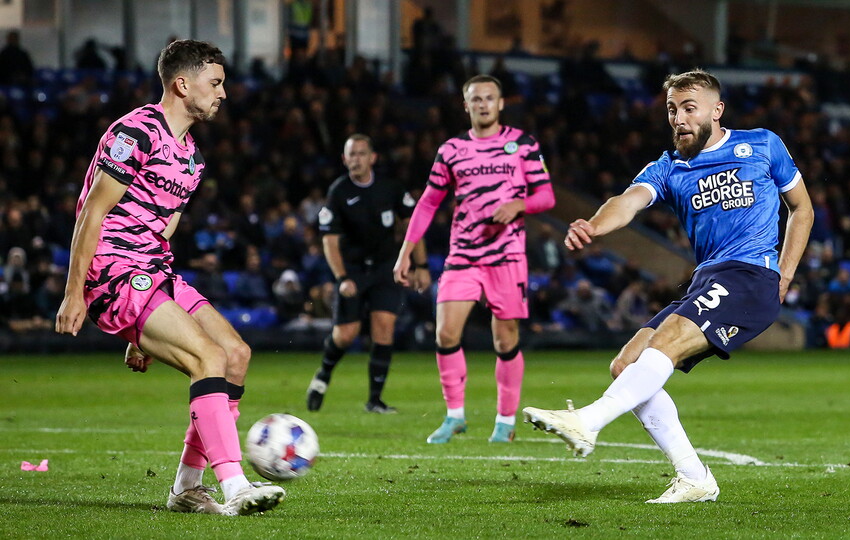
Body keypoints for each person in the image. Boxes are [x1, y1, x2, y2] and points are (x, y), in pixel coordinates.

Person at [522, 69, 813, 503]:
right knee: (627, 364)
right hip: (709, 279)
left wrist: (784, 274)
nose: (678, 118)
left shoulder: (762, 144)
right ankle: (694, 477)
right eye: (672, 110)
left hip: (751, 274)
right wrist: (595, 225)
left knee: (667, 343)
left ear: (717, 111)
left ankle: (588, 421)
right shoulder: (669, 166)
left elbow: (801, 209)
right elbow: (628, 201)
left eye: (689, 108)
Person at [55, 40, 284, 516]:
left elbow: (162, 231)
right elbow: (91, 214)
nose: (223, 93)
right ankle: (236, 485)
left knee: (236, 355)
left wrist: (143, 332)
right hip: (113, 269)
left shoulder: (193, 158)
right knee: (209, 357)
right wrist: (74, 291)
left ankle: (186, 488)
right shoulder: (135, 132)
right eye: (215, 83)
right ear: (183, 84)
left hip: (153, 270)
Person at [393, 75, 556, 444]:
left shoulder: (523, 144)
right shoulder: (451, 149)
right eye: (475, 99)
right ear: (465, 106)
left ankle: (505, 421)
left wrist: (519, 204)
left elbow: (546, 197)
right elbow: (428, 202)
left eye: (489, 98)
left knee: (505, 341)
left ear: (500, 104)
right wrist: (406, 251)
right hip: (463, 255)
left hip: (507, 256)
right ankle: (454, 417)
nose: (482, 104)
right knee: (446, 333)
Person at [306, 134, 428, 414]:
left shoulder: (390, 188)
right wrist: (342, 278)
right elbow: (330, 241)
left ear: (372, 158)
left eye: (362, 154)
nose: (356, 159)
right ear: (344, 159)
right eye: (352, 154)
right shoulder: (338, 192)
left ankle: (375, 400)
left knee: (383, 328)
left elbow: (414, 225)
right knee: (345, 335)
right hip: (353, 271)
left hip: (386, 267)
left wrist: (420, 265)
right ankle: (323, 375)